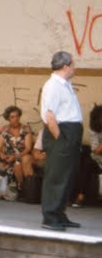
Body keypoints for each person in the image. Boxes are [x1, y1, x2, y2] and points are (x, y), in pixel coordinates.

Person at [39, 51, 83, 231]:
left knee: (67, 175)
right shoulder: (53, 86)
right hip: (61, 133)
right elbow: (49, 115)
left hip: (69, 132)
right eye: (73, 64)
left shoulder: (64, 84)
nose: (74, 67)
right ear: (65, 66)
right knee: (56, 176)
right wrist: (60, 139)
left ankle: (59, 213)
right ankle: (50, 216)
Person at [0, 105, 34, 191]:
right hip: (7, 156)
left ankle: (21, 187)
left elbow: (28, 148)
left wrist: (15, 156)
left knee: (17, 164)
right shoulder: (4, 130)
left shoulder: (26, 129)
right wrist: (1, 154)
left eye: (17, 116)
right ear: (8, 119)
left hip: (21, 155)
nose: (15, 119)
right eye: (12, 117)